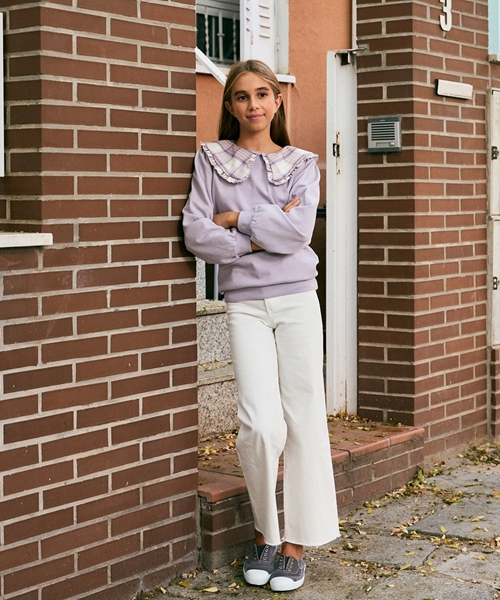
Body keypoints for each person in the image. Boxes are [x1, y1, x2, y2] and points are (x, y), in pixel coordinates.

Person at [182, 59, 339, 592]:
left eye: (263, 95)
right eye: (242, 97)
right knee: (259, 424)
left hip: (297, 298)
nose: (253, 105)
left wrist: (238, 218)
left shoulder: (302, 163)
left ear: (277, 102)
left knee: (303, 418)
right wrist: (255, 233)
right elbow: (196, 234)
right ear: (230, 106)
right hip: (245, 301)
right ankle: (263, 534)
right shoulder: (211, 159)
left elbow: (297, 234)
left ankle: (294, 545)